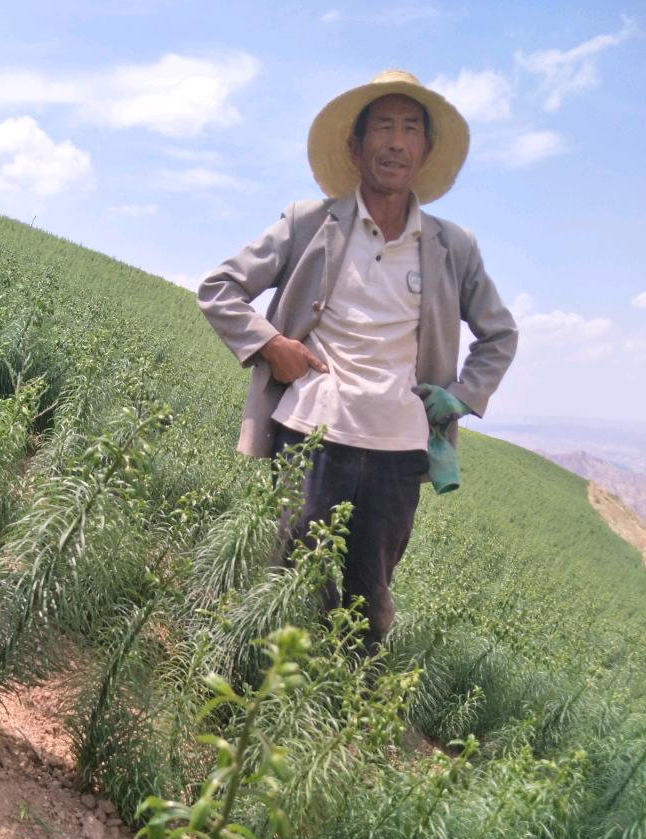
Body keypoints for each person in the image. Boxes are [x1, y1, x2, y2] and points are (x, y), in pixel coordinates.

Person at [197, 70, 517, 652]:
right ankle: (250, 708)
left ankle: (334, 722)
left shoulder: (453, 247)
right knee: (289, 583)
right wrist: (272, 345)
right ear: (356, 145)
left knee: (367, 605)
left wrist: (462, 397)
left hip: (400, 451)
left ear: (424, 151)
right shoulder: (309, 222)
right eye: (384, 127)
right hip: (313, 435)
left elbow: (499, 335)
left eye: (411, 129)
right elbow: (219, 288)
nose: (396, 141)